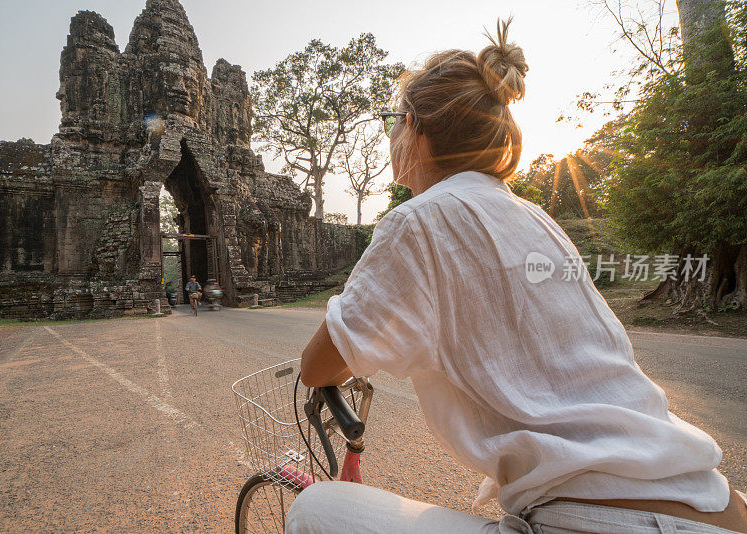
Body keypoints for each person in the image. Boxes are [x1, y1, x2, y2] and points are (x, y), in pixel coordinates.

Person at [288, 18, 747, 534]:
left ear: (415, 128)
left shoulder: (419, 220)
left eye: (393, 120)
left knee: (314, 508)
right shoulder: (537, 220)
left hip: (598, 521)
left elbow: (317, 367)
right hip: (714, 502)